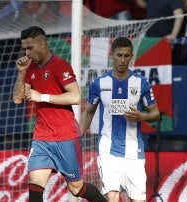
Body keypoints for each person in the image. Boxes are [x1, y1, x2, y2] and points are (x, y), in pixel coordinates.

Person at [12, 26, 106, 202]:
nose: (27, 52)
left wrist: (42, 97)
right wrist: (22, 72)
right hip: (42, 137)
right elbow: (18, 99)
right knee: (35, 186)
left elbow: (75, 96)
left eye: (30, 47)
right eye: (24, 48)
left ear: (43, 44)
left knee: (76, 189)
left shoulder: (59, 65)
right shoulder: (30, 68)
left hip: (65, 136)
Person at [80, 37, 160, 202]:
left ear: (131, 56)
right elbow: (88, 113)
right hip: (108, 148)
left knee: (137, 199)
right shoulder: (98, 84)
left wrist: (142, 116)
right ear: (111, 55)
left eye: (126, 56)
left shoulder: (142, 83)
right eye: (119, 55)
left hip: (134, 149)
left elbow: (156, 113)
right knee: (112, 196)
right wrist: (76, 139)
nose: (122, 60)